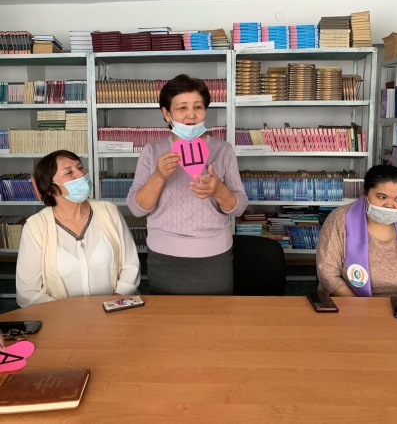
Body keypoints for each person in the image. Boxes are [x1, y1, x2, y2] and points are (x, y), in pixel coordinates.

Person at [126, 74, 248, 295]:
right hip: (164, 255)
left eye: (198, 107)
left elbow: (239, 208)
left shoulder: (223, 150)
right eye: (182, 108)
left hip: (214, 254)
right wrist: (159, 176)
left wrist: (219, 190)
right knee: (167, 315)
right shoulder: (152, 150)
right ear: (167, 114)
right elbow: (137, 209)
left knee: (216, 313)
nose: (191, 114)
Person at [16, 150, 140, 307]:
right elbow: (28, 292)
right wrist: (71, 314)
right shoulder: (35, 227)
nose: (81, 174)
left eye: (80, 167)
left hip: (114, 311)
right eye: (69, 172)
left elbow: (131, 266)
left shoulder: (109, 211)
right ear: (50, 188)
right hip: (61, 317)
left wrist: (113, 303)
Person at [316, 165, 397, 297]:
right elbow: (327, 273)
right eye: (382, 197)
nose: (390, 205)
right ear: (365, 194)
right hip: (350, 301)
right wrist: (359, 306)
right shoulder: (340, 219)